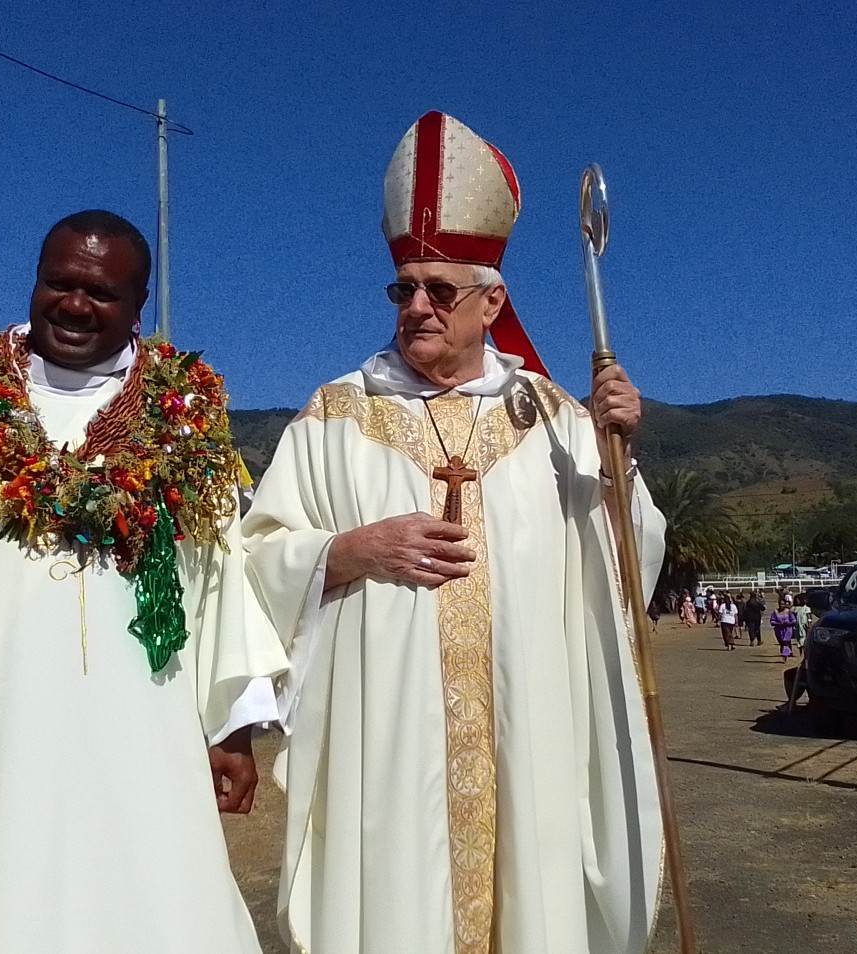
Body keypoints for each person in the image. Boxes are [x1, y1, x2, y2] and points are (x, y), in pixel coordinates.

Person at [243, 111, 665, 954]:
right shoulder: (337, 416)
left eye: (441, 289)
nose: (419, 307)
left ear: (493, 301)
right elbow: (255, 558)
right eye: (404, 289)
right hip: (386, 754)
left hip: (529, 736)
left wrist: (623, 455)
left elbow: (625, 560)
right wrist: (345, 551)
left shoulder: (551, 418)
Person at [0, 210, 288, 952]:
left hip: (148, 727)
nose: (72, 304)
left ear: (138, 306)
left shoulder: (183, 419)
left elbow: (218, 570)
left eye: (99, 292)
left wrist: (231, 722)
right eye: (57, 283)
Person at [770, 595, 799, 660]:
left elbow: (794, 620)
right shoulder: (775, 612)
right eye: (780, 604)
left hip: (787, 629)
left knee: (785, 641)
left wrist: (788, 623)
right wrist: (778, 623)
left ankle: (785, 655)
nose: (781, 605)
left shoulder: (789, 611)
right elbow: (772, 621)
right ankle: (785, 651)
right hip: (778, 630)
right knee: (781, 643)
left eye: (783, 604)